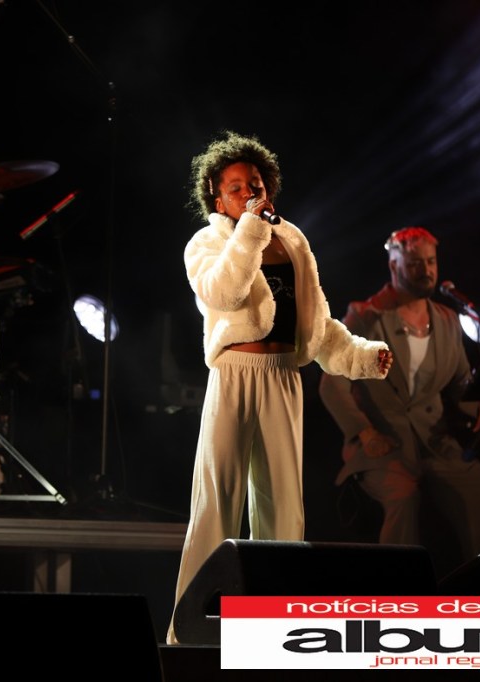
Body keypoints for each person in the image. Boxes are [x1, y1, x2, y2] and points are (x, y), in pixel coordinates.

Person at [166, 131, 393, 644]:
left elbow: (316, 322)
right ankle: (190, 635)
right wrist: (250, 231)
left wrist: (359, 355)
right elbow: (224, 294)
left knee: (283, 509)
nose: (250, 192)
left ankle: (276, 635)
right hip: (234, 375)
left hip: (283, 377)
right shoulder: (206, 244)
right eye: (236, 187)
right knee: (217, 503)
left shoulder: (292, 240)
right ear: (217, 198)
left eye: (256, 183)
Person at [318, 226, 480, 578]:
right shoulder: (365, 316)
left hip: (436, 444)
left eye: (431, 262)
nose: (426, 271)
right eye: (415, 264)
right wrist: (365, 433)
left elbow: (460, 384)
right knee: (402, 499)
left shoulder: (447, 320)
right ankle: (398, 594)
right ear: (394, 266)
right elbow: (332, 385)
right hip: (383, 444)